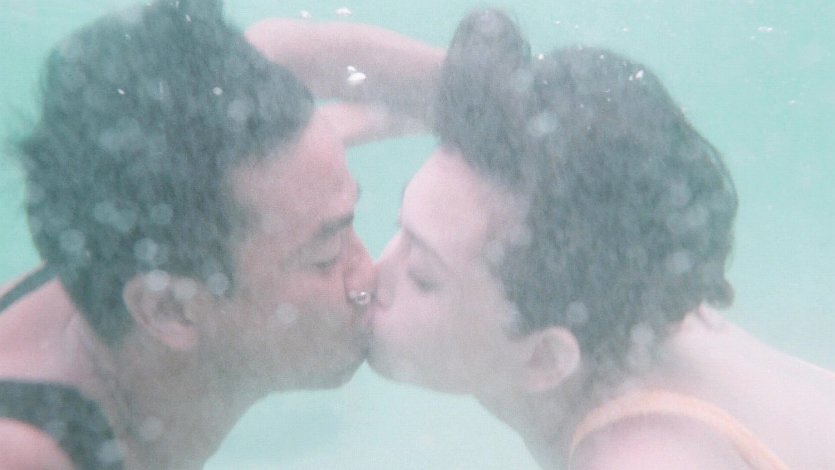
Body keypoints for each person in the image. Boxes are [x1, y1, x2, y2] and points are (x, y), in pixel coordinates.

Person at [369, 9, 835, 469]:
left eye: (422, 277)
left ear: (543, 359)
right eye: (398, 229)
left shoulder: (641, 456)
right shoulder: (633, 307)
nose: (372, 274)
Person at [0, 0, 439, 467]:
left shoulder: (123, 236)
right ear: (171, 309)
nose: (369, 277)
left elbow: (281, 47)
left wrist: (464, 101)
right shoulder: (33, 453)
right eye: (327, 255)